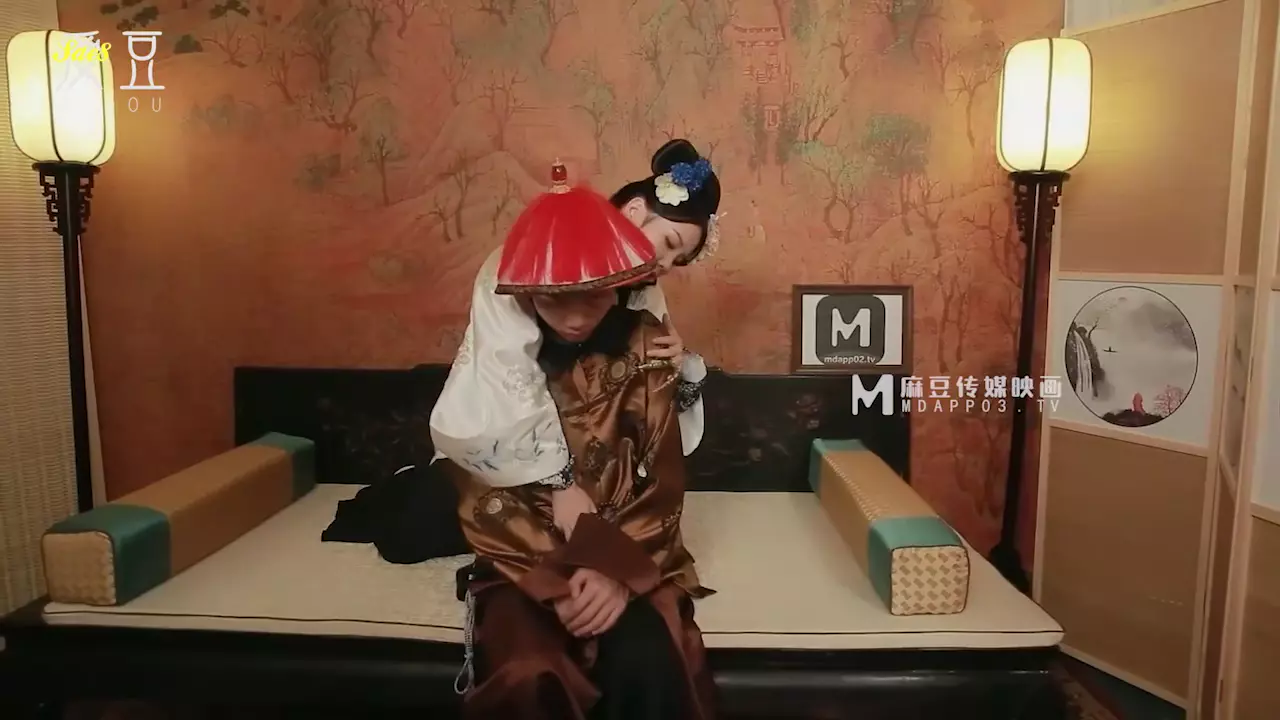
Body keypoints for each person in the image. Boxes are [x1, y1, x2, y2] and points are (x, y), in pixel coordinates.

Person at [438, 179, 715, 719]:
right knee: (527, 672)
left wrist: (615, 570)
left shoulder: (645, 341)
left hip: (623, 536)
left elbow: (660, 479)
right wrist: (557, 582)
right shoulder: (496, 372)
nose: (573, 318)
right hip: (527, 542)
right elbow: (484, 483)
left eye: (593, 296)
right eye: (554, 299)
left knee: (648, 660)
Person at [429, 139, 722, 539]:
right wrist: (559, 483)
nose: (667, 265)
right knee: (461, 522)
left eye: (679, 260)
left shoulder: (643, 282)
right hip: (522, 417)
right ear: (635, 211)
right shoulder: (519, 262)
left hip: (599, 431)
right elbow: (507, 370)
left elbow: (648, 366)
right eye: (669, 244)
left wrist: (674, 359)